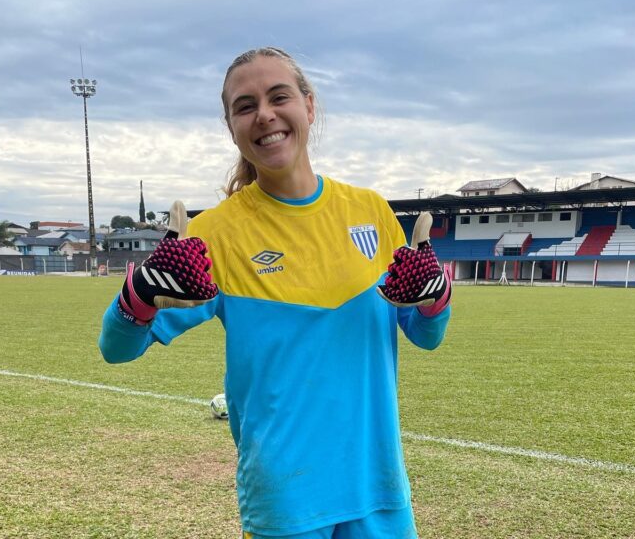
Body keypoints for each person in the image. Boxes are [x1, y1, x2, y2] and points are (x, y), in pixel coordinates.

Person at [99, 47, 453, 539]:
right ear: (231, 126)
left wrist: (435, 299)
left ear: (309, 106)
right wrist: (137, 296)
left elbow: (426, 335)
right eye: (244, 106)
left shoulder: (370, 211)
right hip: (286, 501)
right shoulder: (215, 234)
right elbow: (115, 350)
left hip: (378, 492)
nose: (264, 114)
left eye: (278, 96)